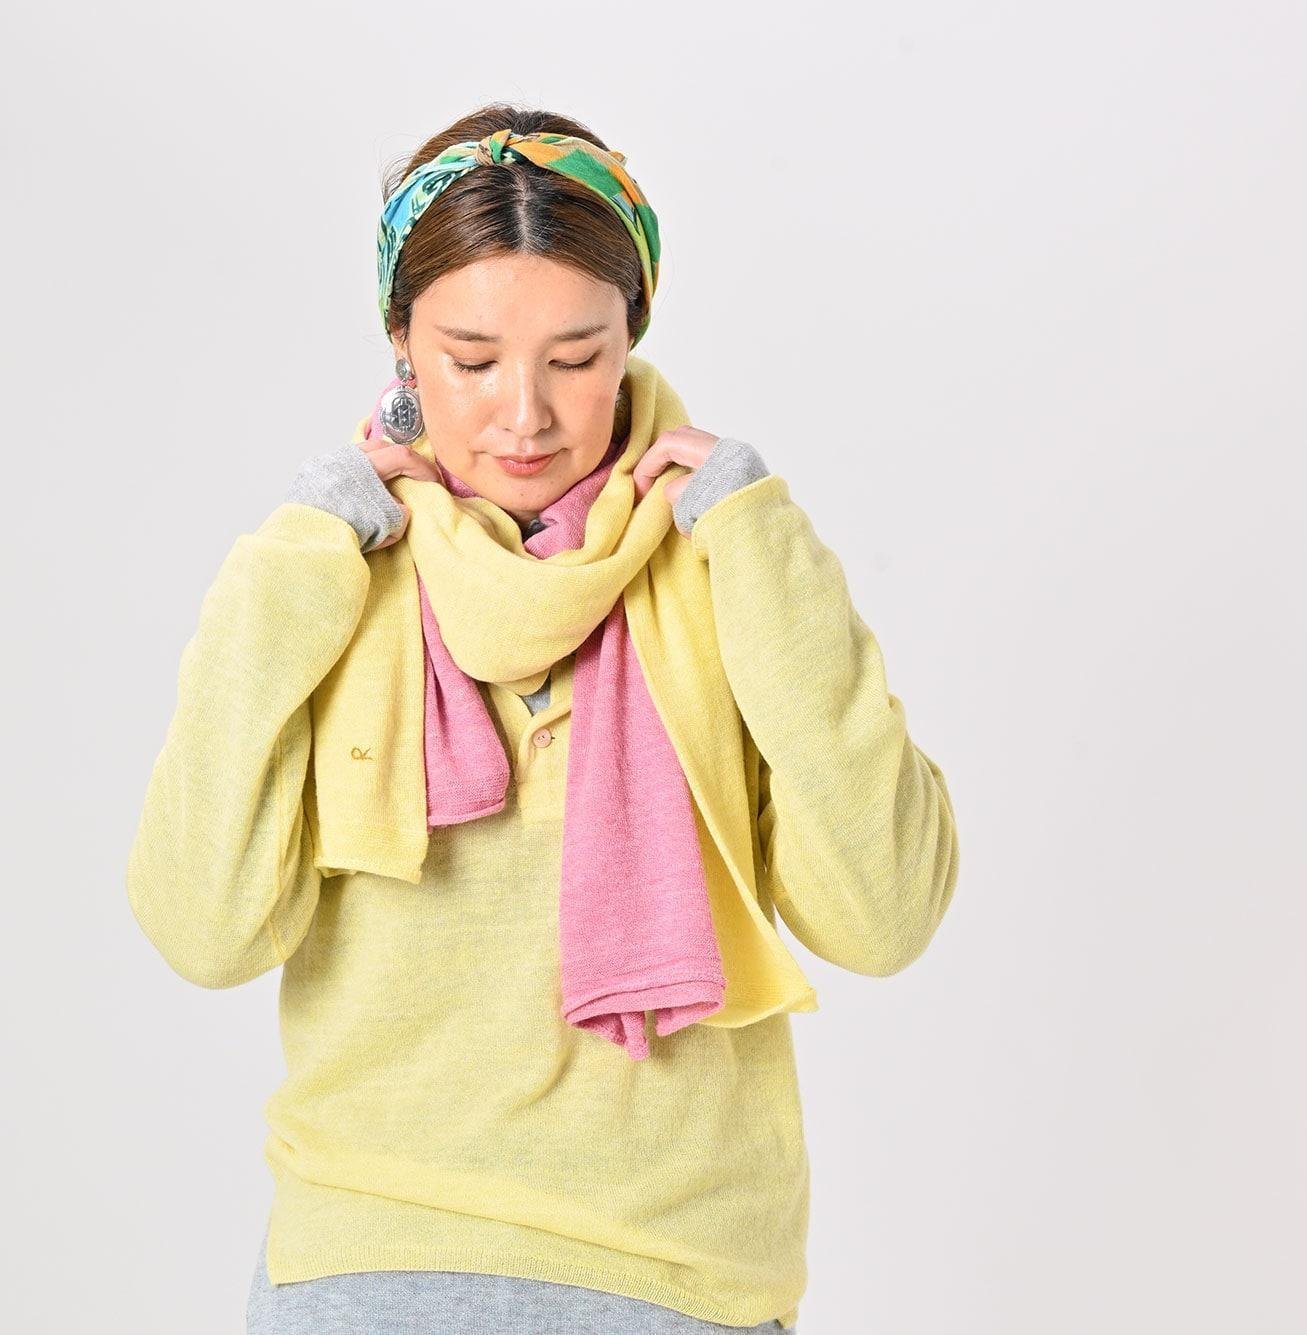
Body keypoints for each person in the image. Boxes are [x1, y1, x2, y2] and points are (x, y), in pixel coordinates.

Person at [125, 103, 961, 1334]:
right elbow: (205, 931)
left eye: (575, 359)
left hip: (675, 1272)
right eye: (471, 360)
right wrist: (291, 565)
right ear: (401, 343)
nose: (525, 414)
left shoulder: (720, 561)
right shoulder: (334, 576)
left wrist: (764, 551)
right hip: (365, 1260)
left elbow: (883, 918)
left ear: (633, 335)